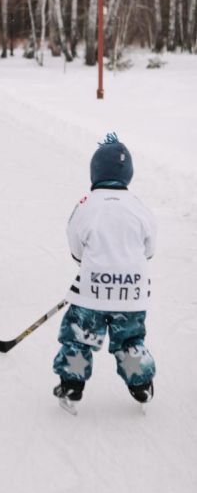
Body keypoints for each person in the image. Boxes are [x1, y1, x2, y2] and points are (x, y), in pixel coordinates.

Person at [53, 133, 157, 409]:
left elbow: (76, 247)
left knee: (79, 338)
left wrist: (90, 264)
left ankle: (72, 384)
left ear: (95, 172)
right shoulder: (140, 207)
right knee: (129, 340)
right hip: (132, 295)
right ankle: (141, 384)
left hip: (91, 295)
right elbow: (149, 250)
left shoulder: (86, 205)